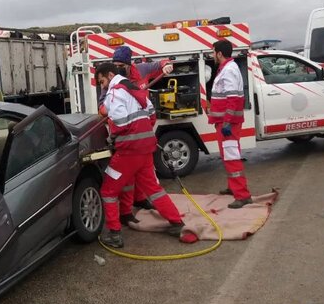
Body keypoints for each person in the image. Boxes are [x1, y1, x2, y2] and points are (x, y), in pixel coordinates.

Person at [95, 62, 198, 248]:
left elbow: (119, 122)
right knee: (153, 189)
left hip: (128, 152)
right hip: (145, 149)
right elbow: (152, 115)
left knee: (108, 191)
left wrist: (108, 119)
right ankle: (176, 223)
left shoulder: (115, 92)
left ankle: (115, 235)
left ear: (110, 75)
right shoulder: (137, 89)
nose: (102, 86)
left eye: (102, 81)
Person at [107, 46, 174, 216]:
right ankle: (127, 208)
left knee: (144, 174)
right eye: (115, 64)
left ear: (130, 64)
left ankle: (141, 198)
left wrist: (167, 65)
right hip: (126, 136)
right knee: (129, 177)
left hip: (143, 132)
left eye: (121, 64)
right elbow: (104, 105)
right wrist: (105, 108)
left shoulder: (142, 69)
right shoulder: (112, 82)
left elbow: (161, 63)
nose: (118, 68)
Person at [208, 39, 252, 209]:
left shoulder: (229, 70)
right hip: (225, 122)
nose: (212, 55)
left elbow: (233, 99)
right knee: (228, 156)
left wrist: (226, 122)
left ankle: (243, 195)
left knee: (232, 157)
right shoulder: (226, 69)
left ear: (219, 53)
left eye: (213, 52)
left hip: (229, 124)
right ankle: (233, 187)